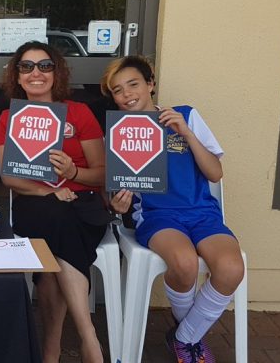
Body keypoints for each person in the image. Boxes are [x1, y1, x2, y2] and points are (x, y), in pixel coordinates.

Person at [101, 56, 245, 363]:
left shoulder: (185, 115)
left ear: (150, 84)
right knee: (184, 263)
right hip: (156, 216)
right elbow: (113, 194)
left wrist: (188, 135)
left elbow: (215, 173)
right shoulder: (120, 131)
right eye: (117, 90)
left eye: (133, 84)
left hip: (202, 212)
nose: (127, 95)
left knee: (232, 268)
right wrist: (116, 204)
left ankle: (184, 337)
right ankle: (189, 340)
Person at [0, 41, 107, 363]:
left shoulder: (79, 113)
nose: (36, 73)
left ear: (56, 72)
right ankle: (89, 339)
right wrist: (49, 190)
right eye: (27, 66)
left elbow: (101, 174)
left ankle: (51, 350)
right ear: (17, 77)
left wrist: (74, 171)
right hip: (37, 202)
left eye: (45, 66)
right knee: (55, 215)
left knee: (53, 253)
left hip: (83, 203)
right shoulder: (10, 118)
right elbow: (10, 179)